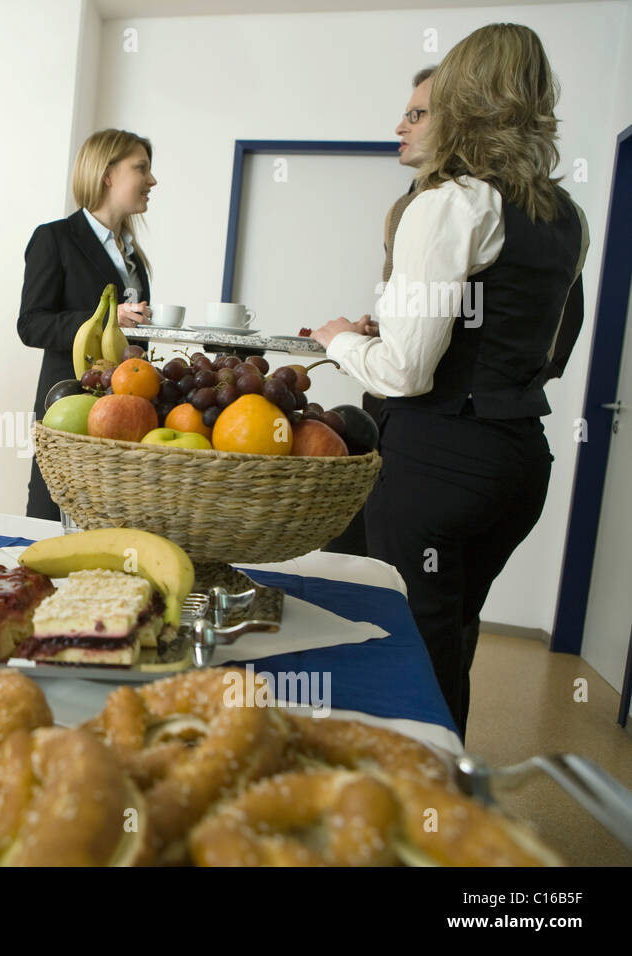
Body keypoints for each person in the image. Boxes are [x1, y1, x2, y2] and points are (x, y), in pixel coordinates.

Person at [311, 23, 588, 739]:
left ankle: (420, 804)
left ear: (463, 94)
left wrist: (341, 342)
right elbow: (548, 344)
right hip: (518, 463)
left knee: (410, 647)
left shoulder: (450, 203)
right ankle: (431, 787)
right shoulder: (564, 216)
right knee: (450, 631)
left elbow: (405, 371)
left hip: (436, 462)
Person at [325, 65, 436, 555]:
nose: (400, 127)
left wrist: (346, 340)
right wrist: (385, 327)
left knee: (402, 573)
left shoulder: (459, 208)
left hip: (429, 417)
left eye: (416, 114)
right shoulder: (405, 206)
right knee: (357, 546)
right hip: (389, 401)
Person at [17, 128, 156, 520]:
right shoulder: (54, 239)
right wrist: (103, 320)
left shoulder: (134, 258)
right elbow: (31, 324)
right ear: (107, 174)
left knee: (112, 513)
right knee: (51, 512)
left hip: (126, 406)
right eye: (141, 168)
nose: (152, 180)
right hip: (68, 403)